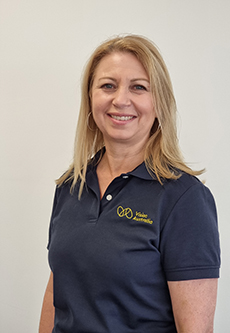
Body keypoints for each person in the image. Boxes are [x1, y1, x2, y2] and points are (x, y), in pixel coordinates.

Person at [39, 34, 220, 333]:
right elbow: (56, 291)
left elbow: (196, 329)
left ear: (159, 102)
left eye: (139, 87)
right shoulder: (71, 185)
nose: (120, 100)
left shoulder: (184, 198)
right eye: (108, 85)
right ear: (90, 98)